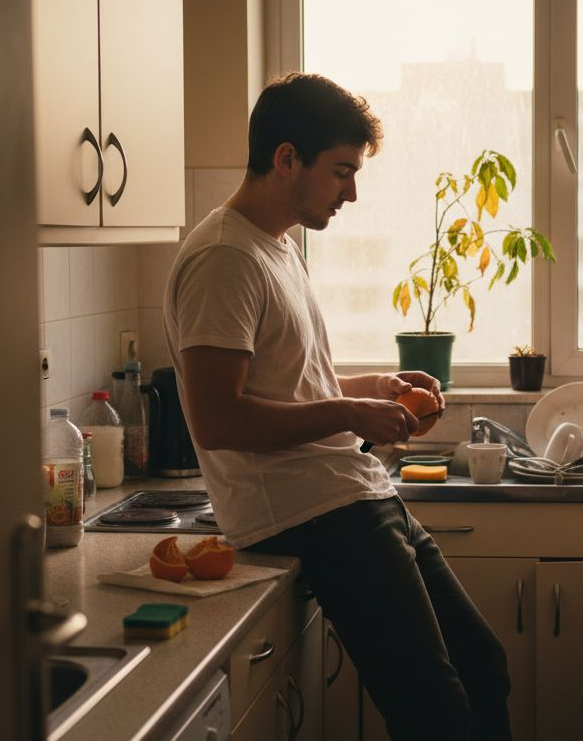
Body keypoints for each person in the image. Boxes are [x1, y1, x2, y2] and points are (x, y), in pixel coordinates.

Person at [163, 73, 511, 741]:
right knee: (435, 711)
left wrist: (370, 386)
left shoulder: (277, 247)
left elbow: (288, 384)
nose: (351, 193)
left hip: (351, 494)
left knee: (483, 667)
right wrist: (350, 416)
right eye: (341, 171)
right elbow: (218, 419)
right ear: (286, 158)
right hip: (309, 513)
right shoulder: (223, 260)